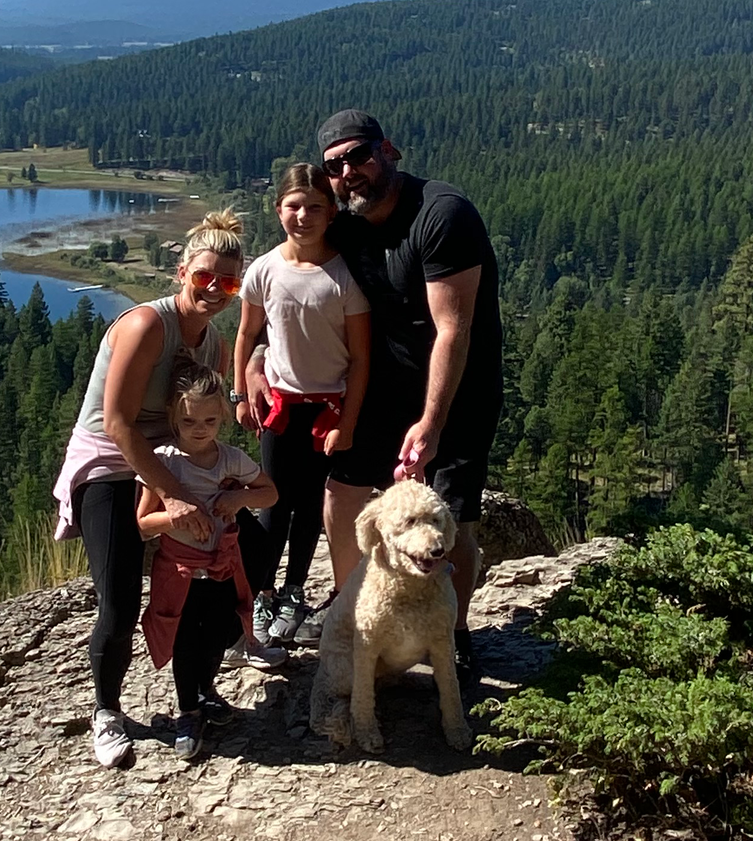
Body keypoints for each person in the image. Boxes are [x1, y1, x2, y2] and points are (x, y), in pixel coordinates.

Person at [268, 109, 503, 678]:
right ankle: (353, 607)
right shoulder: (345, 225)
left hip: (459, 392)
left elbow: (454, 328)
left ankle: (452, 629)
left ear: (389, 150)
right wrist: (254, 359)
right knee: (344, 495)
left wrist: (431, 420)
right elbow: (291, 286)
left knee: (453, 518)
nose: (349, 171)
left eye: (358, 155)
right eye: (335, 165)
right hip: (379, 387)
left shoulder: (443, 214)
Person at [52, 209, 244, 768]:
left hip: (171, 463)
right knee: (118, 597)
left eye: (228, 282)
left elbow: (205, 416)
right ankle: (107, 710)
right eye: (204, 276)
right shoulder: (145, 326)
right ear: (181, 271)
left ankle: (199, 687)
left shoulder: (212, 342)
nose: (214, 289)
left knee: (226, 567)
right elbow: (117, 423)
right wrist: (177, 497)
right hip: (112, 465)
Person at [232, 163, 371, 643]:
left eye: (315, 207)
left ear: (331, 213)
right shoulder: (265, 269)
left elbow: (360, 359)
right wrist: (239, 392)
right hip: (280, 406)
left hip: (326, 410)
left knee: (311, 505)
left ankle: (295, 590)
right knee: (273, 502)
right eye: (293, 206)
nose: (303, 216)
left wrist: (348, 423)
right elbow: (248, 333)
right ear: (278, 211)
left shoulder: (344, 277)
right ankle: (263, 596)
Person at [135, 365, 279, 758]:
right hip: (178, 572)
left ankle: (205, 691)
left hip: (221, 567)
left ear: (222, 417)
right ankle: (188, 711)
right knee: (184, 640)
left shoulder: (230, 459)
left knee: (217, 633)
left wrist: (239, 499)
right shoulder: (162, 462)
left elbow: (269, 494)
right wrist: (176, 516)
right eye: (188, 420)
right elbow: (145, 522)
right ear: (173, 417)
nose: (200, 429)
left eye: (211, 420)